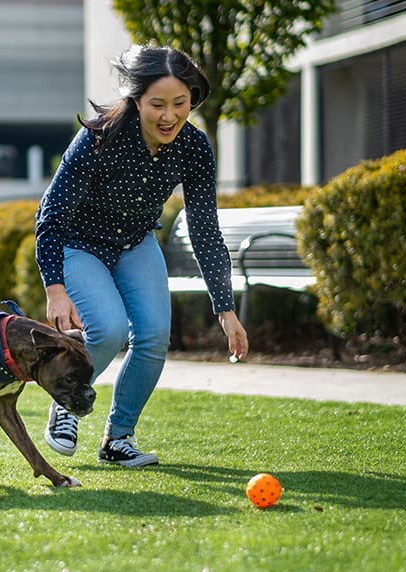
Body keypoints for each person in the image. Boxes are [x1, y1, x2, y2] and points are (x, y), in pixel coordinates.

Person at [35, 45, 248, 467]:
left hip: (135, 243)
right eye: (157, 105)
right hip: (80, 244)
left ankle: (118, 438)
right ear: (136, 100)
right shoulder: (98, 137)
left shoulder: (194, 147)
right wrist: (55, 290)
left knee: (152, 336)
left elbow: (205, 228)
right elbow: (51, 214)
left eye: (180, 103)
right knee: (109, 329)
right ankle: (66, 398)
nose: (169, 115)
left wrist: (225, 309)